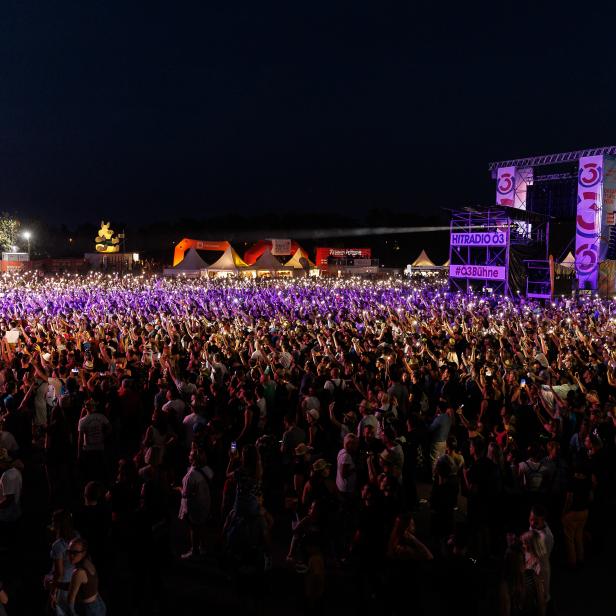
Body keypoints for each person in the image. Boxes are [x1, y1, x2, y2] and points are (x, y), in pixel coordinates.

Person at [178, 447, 214, 560]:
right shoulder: (207, 470)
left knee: (193, 527)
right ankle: (203, 547)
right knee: (202, 525)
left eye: (190, 455)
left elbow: (186, 494)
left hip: (195, 505)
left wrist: (178, 489)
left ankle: (194, 550)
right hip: (205, 502)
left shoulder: (191, 475)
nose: (188, 456)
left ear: (193, 459)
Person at [45, 510, 80, 616]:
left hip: (63, 582)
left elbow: (59, 572)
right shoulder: (77, 535)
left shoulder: (58, 545)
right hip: (74, 577)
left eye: (53, 521)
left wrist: (53, 592)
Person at [66, 538, 107, 615]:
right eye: (69, 552)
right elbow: (75, 585)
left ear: (84, 553)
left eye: (75, 552)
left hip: (90, 610)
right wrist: (56, 584)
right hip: (99, 604)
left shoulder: (79, 572)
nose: (71, 555)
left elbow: (70, 601)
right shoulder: (88, 562)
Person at [0, 448, 22, 522]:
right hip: (16, 511)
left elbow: (9, 499)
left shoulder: (6, 476)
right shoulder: (16, 471)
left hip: (7, 515)